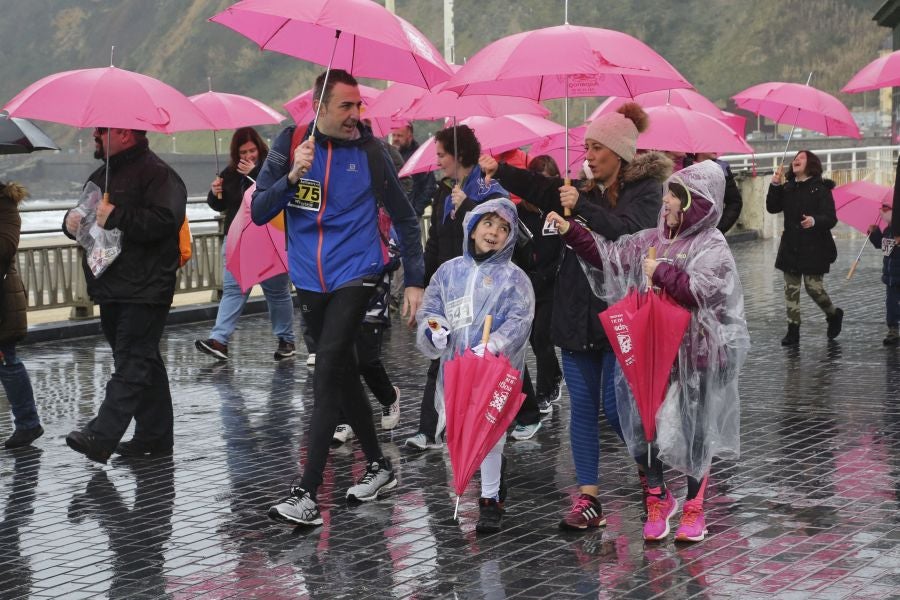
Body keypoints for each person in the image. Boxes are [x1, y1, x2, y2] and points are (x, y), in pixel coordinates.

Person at [479, 103, 671, 530]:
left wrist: (580, 205)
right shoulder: (577, 186)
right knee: (583, 408)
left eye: (596, 148)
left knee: (617, 406)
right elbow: (541, 186)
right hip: (573, 315)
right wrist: (501, 172)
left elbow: (625, 232)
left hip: (619, 315)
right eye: (586, 146)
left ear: (619, 154)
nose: (588, 155)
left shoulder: (647, 192)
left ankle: (652, 476)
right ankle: (589, 499)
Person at [547, 160, 750, 542]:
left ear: (697, 203)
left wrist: (660, 273)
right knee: (640, 426)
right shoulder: (652, 239)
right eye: (668, 194)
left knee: (694, 431)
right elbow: (611, 256)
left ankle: (694, 508)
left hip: (698, 355)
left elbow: (701, 291)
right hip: (651, 353)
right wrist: (571, 230)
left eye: (676, 196)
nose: (667, 202)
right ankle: (657, 496)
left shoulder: (713, 245)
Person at [255, 69, 424, 527]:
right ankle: (379, 466)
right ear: (320, 106)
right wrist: (292, 176)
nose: (356, 114)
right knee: (344, 370)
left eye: (358, 105)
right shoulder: (290, 143)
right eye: (346, 106)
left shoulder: (371, 153)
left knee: (328, 367)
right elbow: (258, 211)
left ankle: (306, 494)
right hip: (310, 278)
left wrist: (415, 281)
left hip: (359, 271)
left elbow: (406, 218)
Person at [62, 127, 187, 463]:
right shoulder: (100, 175)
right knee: (141, 361)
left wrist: (117, 216)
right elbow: (85, 216)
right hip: (111, 286)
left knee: (132, 362)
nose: (94, 136)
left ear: (125, 133)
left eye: (102, 131)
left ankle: (101, 436)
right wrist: (70, 222)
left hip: (146, 288)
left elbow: (166, 220)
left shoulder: (159, 174)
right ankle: (155, 437)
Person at [416, 198, 535, 533]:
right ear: (472, 227)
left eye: (503, 228)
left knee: (489, 433)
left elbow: (520, 319)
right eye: (488, 224)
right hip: (455, 368)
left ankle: (489, 498)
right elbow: (432, 308)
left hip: (493, 369)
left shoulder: (514, 278)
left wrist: (495, 343)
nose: (494, 232)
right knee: (460, 430)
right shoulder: (449, 271)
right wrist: (435, 331)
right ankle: (487, 482)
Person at [195, 127, 297, 362]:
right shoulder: (230, 173)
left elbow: (279, 191)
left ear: (260, 149)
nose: (248, 155)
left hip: (269, 238)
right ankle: (219, 340)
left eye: (252, 150)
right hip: (238, 239)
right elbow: (221, 206)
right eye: (243, 152)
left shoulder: (273, 167)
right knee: (233, 289)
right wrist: (214, 193)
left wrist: (256, 172)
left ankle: (286, 339)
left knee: (277, 292)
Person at [767, 150, 843, 346]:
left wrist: (815, 220)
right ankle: (793, 331)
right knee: (791, 290)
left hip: (815, 248)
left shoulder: (821, 189)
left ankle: (833, 314)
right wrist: (775, 185)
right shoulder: (788, 188)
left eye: (801, 158)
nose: (796, 161)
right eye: (795, 159)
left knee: (813, 288)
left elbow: (831, 218)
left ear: (811, 164)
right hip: (791, 246)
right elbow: (772, 207)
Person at [519, 156, 564, 414]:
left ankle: (545, 391)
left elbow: (560, 251)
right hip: (526, 287)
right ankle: (555, 374)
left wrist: (547, 275)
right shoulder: (518, 213)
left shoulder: (557, 212)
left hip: (550, 286)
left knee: (542, 337)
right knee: (535, 341)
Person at [0, 181, 42, 449]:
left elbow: (6, 247)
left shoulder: (5, 206)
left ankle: (28, 424)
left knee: (7, 361)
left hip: (2, 298)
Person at [867, 200, 899, 346]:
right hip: (890, 276)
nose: (882, 211)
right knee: (891, 304)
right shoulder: (887, 229)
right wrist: (874, 234)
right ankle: (893, 329)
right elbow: (883, 247)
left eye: (886, 209)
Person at [689, 152, 743, 233]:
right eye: (709, 144)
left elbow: (734, 202)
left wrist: (719, 229)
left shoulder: (722, 168)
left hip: (711, 234)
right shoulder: (684, 166)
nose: (715, 149)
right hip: (686, 233)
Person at [391, 122, 437, 217]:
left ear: (410, 136)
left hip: (410, 217)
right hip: (392, 215)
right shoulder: (389, 155)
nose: (395, 139)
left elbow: (430, 187)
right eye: (393, 135)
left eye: (399, 136)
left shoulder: (420, 156)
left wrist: (416, 211)